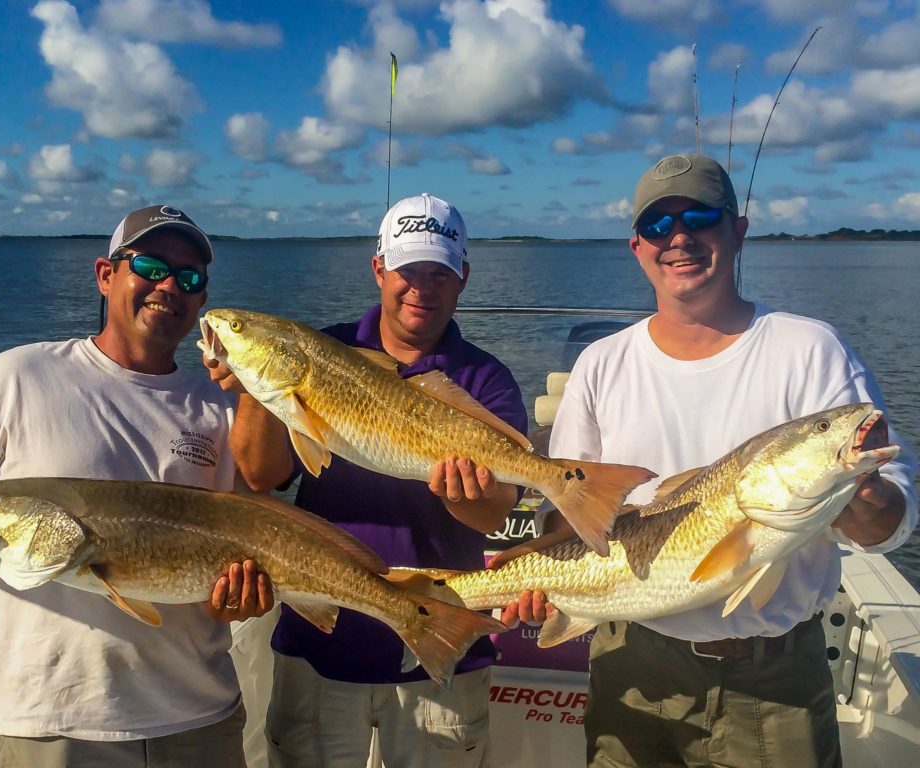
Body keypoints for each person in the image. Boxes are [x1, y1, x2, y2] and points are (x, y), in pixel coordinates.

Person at [503, 154, 918, 767]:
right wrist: (535, 578)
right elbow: (568, 519)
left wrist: (863, 493)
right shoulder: (601, 365)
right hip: (629, 666)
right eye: (658, 226)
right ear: (637, 247)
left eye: (700, 217)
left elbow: (890, 529)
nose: (680, 238)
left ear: (738, 229)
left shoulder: (808, 349)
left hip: (773, 682)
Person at [0, 204, 273, 768]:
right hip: (47, 724)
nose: (168, 285)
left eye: (189, 278)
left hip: (199, 718)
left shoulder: (225, 407)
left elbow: (258, 528)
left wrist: (243, 597)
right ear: (106, 274)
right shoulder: (15, 377)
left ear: (201, 300)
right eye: (150, 266)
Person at [208, 192, 527, 767]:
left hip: (442, 640)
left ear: (463, 279)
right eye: (407, 271)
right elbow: (261, 474)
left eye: (439, 273)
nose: (421, 289)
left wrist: (464, 495)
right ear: (378, 269)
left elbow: (495, 514)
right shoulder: (321, 350)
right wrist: (256, 386)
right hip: (320, 640)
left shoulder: (486, 379)